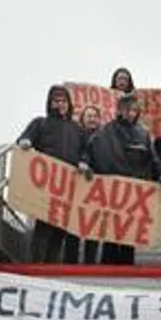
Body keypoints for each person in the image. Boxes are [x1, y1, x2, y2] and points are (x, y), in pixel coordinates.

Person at [82, 93, 161, 265]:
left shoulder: (143, 134)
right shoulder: (104, 131)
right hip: (111, 195)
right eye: (127, 109)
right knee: (110, 240)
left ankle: (127, 273)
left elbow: (154, 160)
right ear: (119, 110)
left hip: (132, 197)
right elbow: (88, 151)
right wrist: (85, 163)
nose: (130, 113)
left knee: (129, 240)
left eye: (134, 110)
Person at [16, 85, 88, 263]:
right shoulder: (40, 123)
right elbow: (25, 138)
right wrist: (25, 141)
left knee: (60, 230)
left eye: (63, 101)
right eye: (56, 101)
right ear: (50, 103)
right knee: (43, 228)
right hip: (46, 187)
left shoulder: (77, 129)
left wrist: (83, 161)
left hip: (68, 188)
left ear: (69, 104)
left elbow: (84, 150)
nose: (60, 104)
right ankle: (36, 265)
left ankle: (51, 266)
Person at [66, 105, 104, 265]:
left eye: (95, 116)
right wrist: (81, 162)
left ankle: (90, 263)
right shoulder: (75, 135)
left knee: (93, 228)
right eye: (89, 116)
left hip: (97, 188)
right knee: (73, 226)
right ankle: (70, 262)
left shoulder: (105, 138)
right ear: (82, 119)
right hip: (77, 187)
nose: (92, 119)